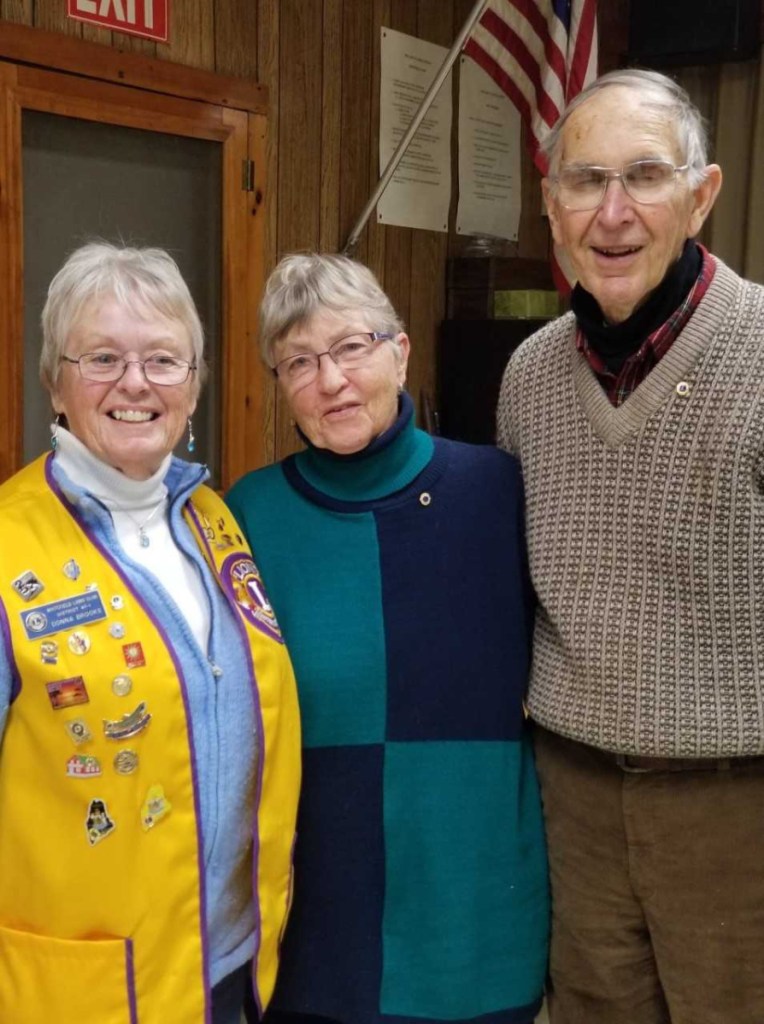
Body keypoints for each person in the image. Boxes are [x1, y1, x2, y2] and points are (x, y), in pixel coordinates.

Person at [497, 67, 764, 1024]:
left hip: (736, 812)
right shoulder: (527, 377)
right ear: (551, 204)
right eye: (585, 180)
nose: (613, 213)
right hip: (572, 801)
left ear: (702, 194)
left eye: (646, 176)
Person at [227, 253, 549, 1024]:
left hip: (474, 908)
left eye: (350, 348)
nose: (330, 380)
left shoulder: (497, 491)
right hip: (316, 918)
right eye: (299, 361)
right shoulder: (250, 515)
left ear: (399, 351)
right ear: (280, 385)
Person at [0, 242, 301, 1024]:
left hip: (227, 972)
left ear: (194, 387)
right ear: (55, 383)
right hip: (80, 993)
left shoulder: (214, 520)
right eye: (102, 357)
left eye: (164, 360)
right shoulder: (8, 548)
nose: (135, 383)